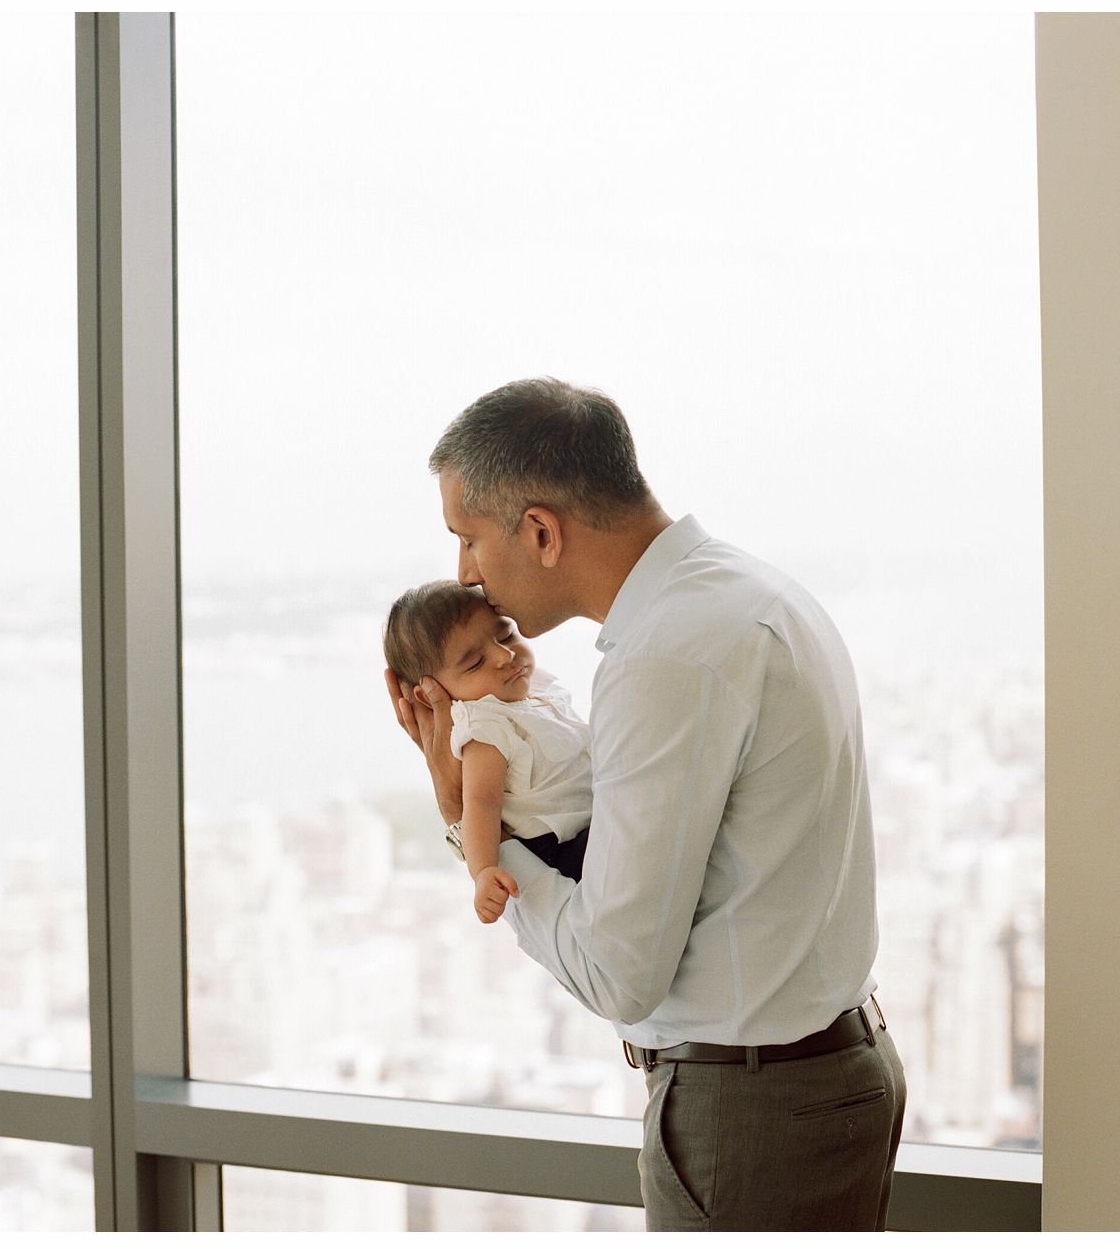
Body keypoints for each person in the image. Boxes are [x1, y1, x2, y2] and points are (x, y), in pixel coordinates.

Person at [383, 377, 907, 1232]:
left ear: (542, 530)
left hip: (755, 1110)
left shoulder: (666, 656)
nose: (465, 577)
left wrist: (473, 831)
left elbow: (619, 971)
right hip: (821, 1074)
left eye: (469, 540)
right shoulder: (747, 590)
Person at [383, 580, 593, 922]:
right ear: (430, 693)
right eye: (475, 663)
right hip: (563, 848)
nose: (504, 656)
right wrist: (483, 871)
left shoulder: (532, 688)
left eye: (506, 635)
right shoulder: (484, 728)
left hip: (591, 820)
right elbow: (481, 804)